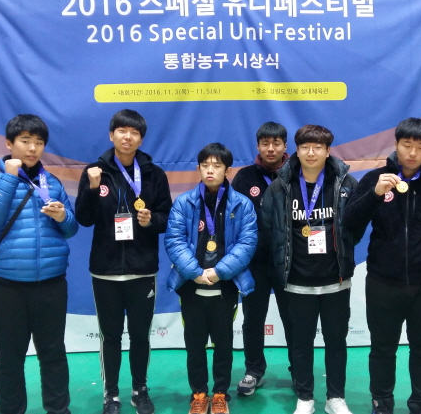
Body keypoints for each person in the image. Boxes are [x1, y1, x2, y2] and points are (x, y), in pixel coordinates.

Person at [344, 118, 421, 414]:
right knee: (382, 348)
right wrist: (374, 194)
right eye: (407, 145)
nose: (413, 153)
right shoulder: (375, 179)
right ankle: (381, 402)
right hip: (383, 281)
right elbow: (350, 222)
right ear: (396, 144)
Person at [0, 114, 78, 414]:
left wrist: (63, 217)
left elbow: (71, 229)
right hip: (8, 286)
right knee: (10, 358)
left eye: (39, 143)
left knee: (54, 354)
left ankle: (59, 409)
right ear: (9, 143)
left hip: (51, 283)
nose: (32, 148)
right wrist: (8, 178)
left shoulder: (51, 182)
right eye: (26, 141)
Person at [260, 124, 363, 414]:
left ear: (328, 150)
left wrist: (342, 250)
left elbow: (355, 224)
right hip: (297, 281)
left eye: (318, 147)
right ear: (297, 150)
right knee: (301, 344)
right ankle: (305, 398)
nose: (311, 152)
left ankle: (335, 398)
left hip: (335, 280)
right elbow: (269, 228)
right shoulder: (280, 186)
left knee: (336, 342)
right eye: (305, 147)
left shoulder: (346, 184)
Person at [76, 109, 172, 414]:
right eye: (121, 131)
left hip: (142, 270)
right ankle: (111, 394)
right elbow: (83, 218)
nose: (127, 137)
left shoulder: (154, 174)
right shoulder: (95, 172)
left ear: (141, 139)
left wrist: (150, 220)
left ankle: (139, 390)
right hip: (105, 271)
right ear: (111, 135)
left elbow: (167, 218)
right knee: (111, 337)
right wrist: (93, 189)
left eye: (134, 132)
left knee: (140, 336)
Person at [165, 143, 257, 414]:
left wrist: (219, 272)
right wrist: (194, 272)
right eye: (205, 165)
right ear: (198, 168)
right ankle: (198, 394)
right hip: (191, 287)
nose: (210, 170)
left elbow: (247, 243)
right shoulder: (184, 202)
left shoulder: (242, 204)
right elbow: (174, 240)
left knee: (224, 345)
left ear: (227, 170)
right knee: (194, 346)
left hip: (226, 286)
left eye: (217, 166)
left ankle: (219, 394)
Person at [230, 121, 293, 396]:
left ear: (284, 146)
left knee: (293, 319)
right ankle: (254, 371)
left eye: (276, 143)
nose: (270, 148)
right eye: (265, 143)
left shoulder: (297, 173)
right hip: (254, 264)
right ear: (258, 146)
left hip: (289, 263)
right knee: (253, 319)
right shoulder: (244, 177)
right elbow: (233, 219)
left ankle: (299, 369)